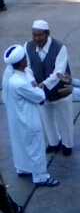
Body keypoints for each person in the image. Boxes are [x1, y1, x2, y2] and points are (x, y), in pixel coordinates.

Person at [2, 45, 58, 187]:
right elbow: (40, 96)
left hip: (17, 119)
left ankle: (23, 168)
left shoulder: (12, 74)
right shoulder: (19, 82)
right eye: (25, 58)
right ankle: (41, 177)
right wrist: (36, 87)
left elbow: (31, 79)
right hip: (28, 119)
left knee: (20, 145)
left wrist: (34, 85)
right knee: (36, 148)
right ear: (21, 62)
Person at [26, 20, 73, 156]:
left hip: (61, 91)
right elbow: (27, 67)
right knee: (47, 119)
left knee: (65, 120)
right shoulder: (28, 46)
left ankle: (67, 144)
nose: (36, 38)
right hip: (41, 92)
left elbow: (59, 72)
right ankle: (53, 143)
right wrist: (32, 81)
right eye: (34, 35)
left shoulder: (60, 47)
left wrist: (43, 84)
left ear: (47, 34)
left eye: (40, 35)